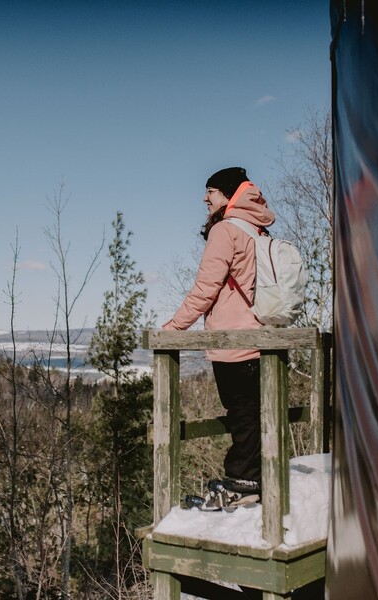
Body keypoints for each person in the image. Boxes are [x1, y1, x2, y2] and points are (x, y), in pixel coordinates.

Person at [161, 166, 275, 510]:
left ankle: (242, 482)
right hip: (262, 336)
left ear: (226, 193)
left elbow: (205, 289)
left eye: (209, 191)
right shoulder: (258, 228)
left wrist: (173, 328)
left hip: (234, 342)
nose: (204, 198)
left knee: (242, 413)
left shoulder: (226, 230)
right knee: (253, 413)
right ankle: (253, 478)